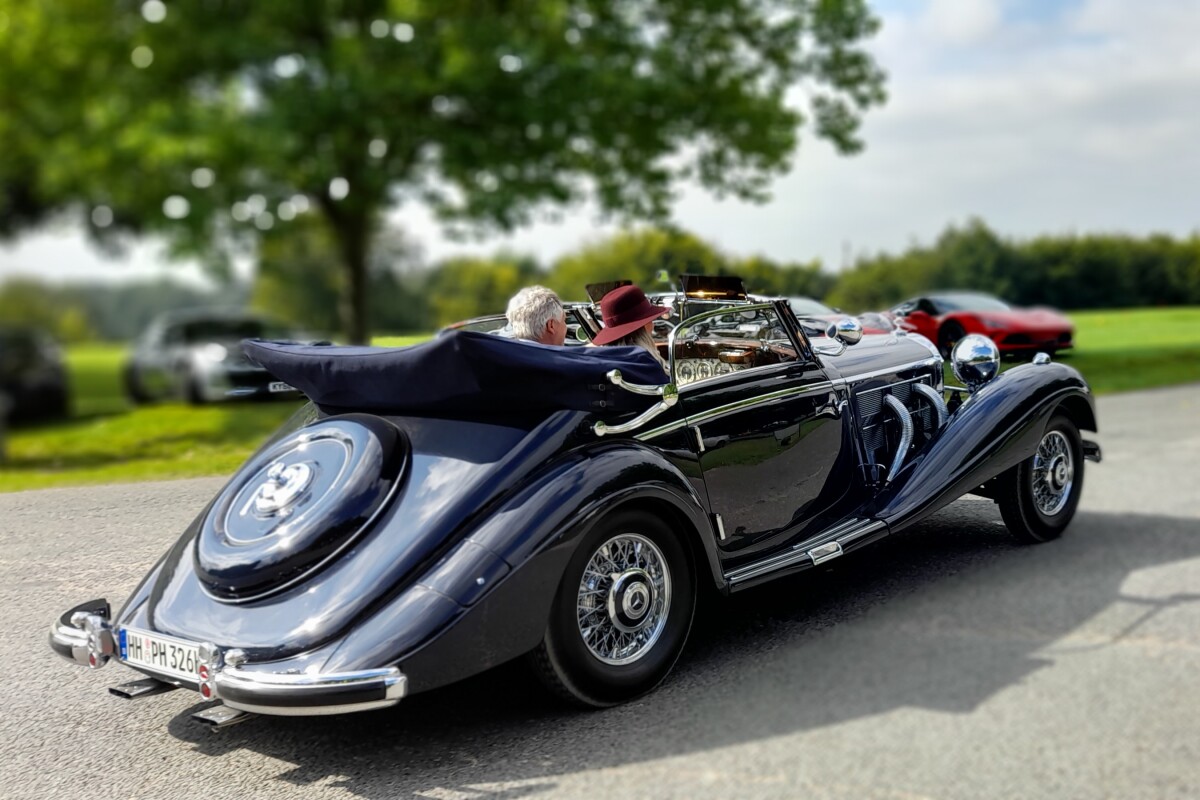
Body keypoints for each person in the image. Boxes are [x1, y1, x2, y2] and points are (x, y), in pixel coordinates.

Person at [592, 284, 669, 372]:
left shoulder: (601, 363)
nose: (653, 325)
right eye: (650, 320)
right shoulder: (646, 365)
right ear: (643, 326)